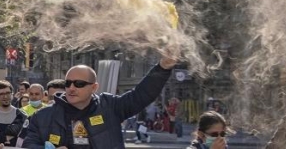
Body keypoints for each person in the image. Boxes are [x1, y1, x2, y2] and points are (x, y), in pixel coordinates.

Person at [23, 50, 177, 149]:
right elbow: (29, 144)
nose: (71, 88)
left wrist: (162, 68)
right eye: (68, 83)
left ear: (94, 87)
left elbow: (141, 95)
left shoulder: (111, 107)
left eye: (79, 84)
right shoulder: (43, 116)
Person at [0, 80, 28, 147]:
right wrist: (9, 137)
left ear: (12, 94)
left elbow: (23, 138)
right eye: (1, 94)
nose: (5, 97)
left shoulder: (22, 115)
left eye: (8, 93)